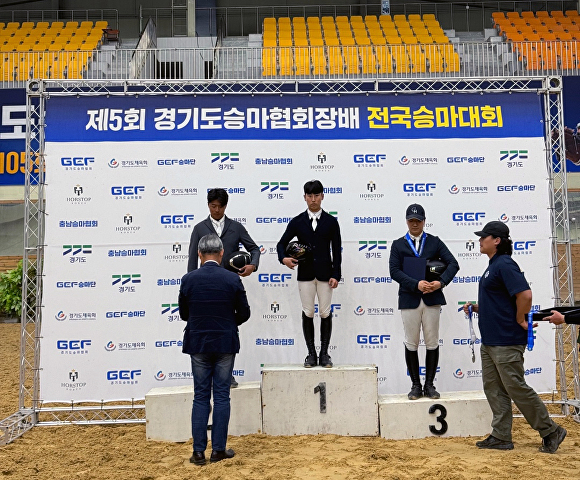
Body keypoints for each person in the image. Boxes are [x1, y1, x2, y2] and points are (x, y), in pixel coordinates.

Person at [464, 221, 566, 453]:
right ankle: (501, 436)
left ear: (497, 240)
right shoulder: (494, 265)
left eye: (484, 237)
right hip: (491, 340)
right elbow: (502, 301)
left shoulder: (505, 264)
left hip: (506, 340)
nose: (480, 241)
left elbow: (525, 295)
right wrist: (478, 308)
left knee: (515, 387)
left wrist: (521, 319)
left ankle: (551, 430)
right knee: (494, 388)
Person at [179, 234, 251, 466]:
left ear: (199, 255)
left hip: (198, 343)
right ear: (221, 254)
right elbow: (245, 313)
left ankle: (198, 452)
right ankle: (218, 450)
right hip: (224, 343)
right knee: (221, 396)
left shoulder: (188, 279)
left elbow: (184, 314)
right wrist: (229, 323)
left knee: (200, 396)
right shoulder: (232, 279)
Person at [187, 188, 259, 387]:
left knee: (228, 329)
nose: (216, 210)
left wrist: (253, 264)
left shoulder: (236, 227)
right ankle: (206, 376)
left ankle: (227, 375)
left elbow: (253, 248)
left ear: (226, 206)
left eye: (220, 206)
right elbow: (192, 259)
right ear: (208, 205)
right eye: (212, 206)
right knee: (206, 328)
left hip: (228, 287)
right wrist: (190, 284)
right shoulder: (199, 228)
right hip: (203, 287)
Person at [389, 203, 459, 400]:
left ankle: (429, 384)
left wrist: (440, 283)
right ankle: (415, 385)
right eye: (411, 221)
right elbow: (394, 271)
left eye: (418, 220)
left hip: (431, 299)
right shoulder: (398, 244)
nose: (415, 224)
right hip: (410, 298)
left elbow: (454, 263)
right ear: (406, 221)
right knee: (411, 342)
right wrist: (416, 284)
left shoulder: (434, 242)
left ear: (424, 221)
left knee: (432, 341)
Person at [277, 179, 342, 368]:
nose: (313, 199)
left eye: (316, 195)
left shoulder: (331, 222)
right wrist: (284, 259)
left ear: (322, 196)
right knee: (308, 312)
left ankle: (324, 354)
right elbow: (281, 244)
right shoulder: (297, 222)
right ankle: (311, 354)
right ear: (304, 197)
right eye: (309, 196)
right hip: (305, 274)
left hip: (325, 274)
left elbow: (337, 251)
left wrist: (336, 274)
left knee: (325, 312)